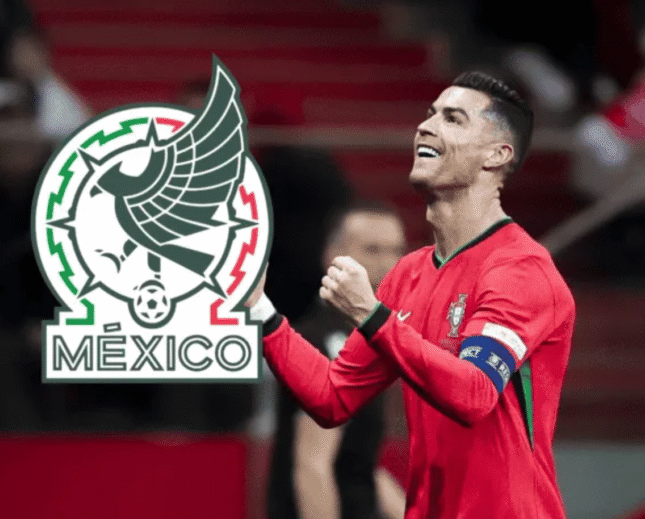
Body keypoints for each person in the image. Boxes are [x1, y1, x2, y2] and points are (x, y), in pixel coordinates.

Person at [247, 71, 576, 518]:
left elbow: (474, 394)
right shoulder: (409, 274)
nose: (426, 126)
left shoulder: (520, 270)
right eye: (430, 114)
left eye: (453, 119)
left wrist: (372, 316)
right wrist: (261, 310)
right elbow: (332, 397)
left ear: (497, 155)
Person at [268, 201, 407, 519]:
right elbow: (312, 466)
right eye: (372, 249)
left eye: (396, 250)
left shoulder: (366, 341)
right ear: (332, 256)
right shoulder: (326, 343)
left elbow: (360, 467)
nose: (388, 263)